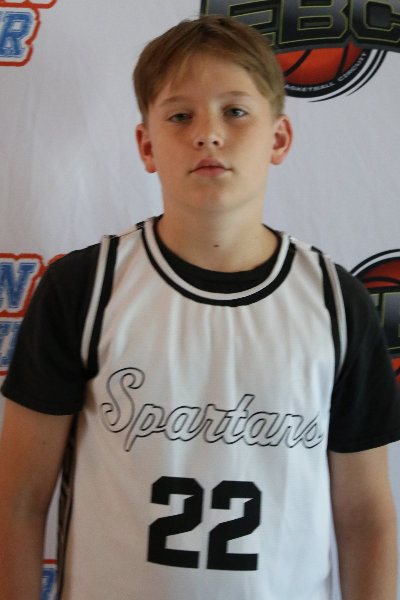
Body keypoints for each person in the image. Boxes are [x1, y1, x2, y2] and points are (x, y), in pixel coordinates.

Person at [0, 15, 399, 600]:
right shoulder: (84, 288)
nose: (208, 134)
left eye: (235, 111)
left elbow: (365, 518)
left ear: (279, 138)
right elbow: (18, 499)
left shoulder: (337, 303)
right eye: (180, 115)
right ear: (147, 145)